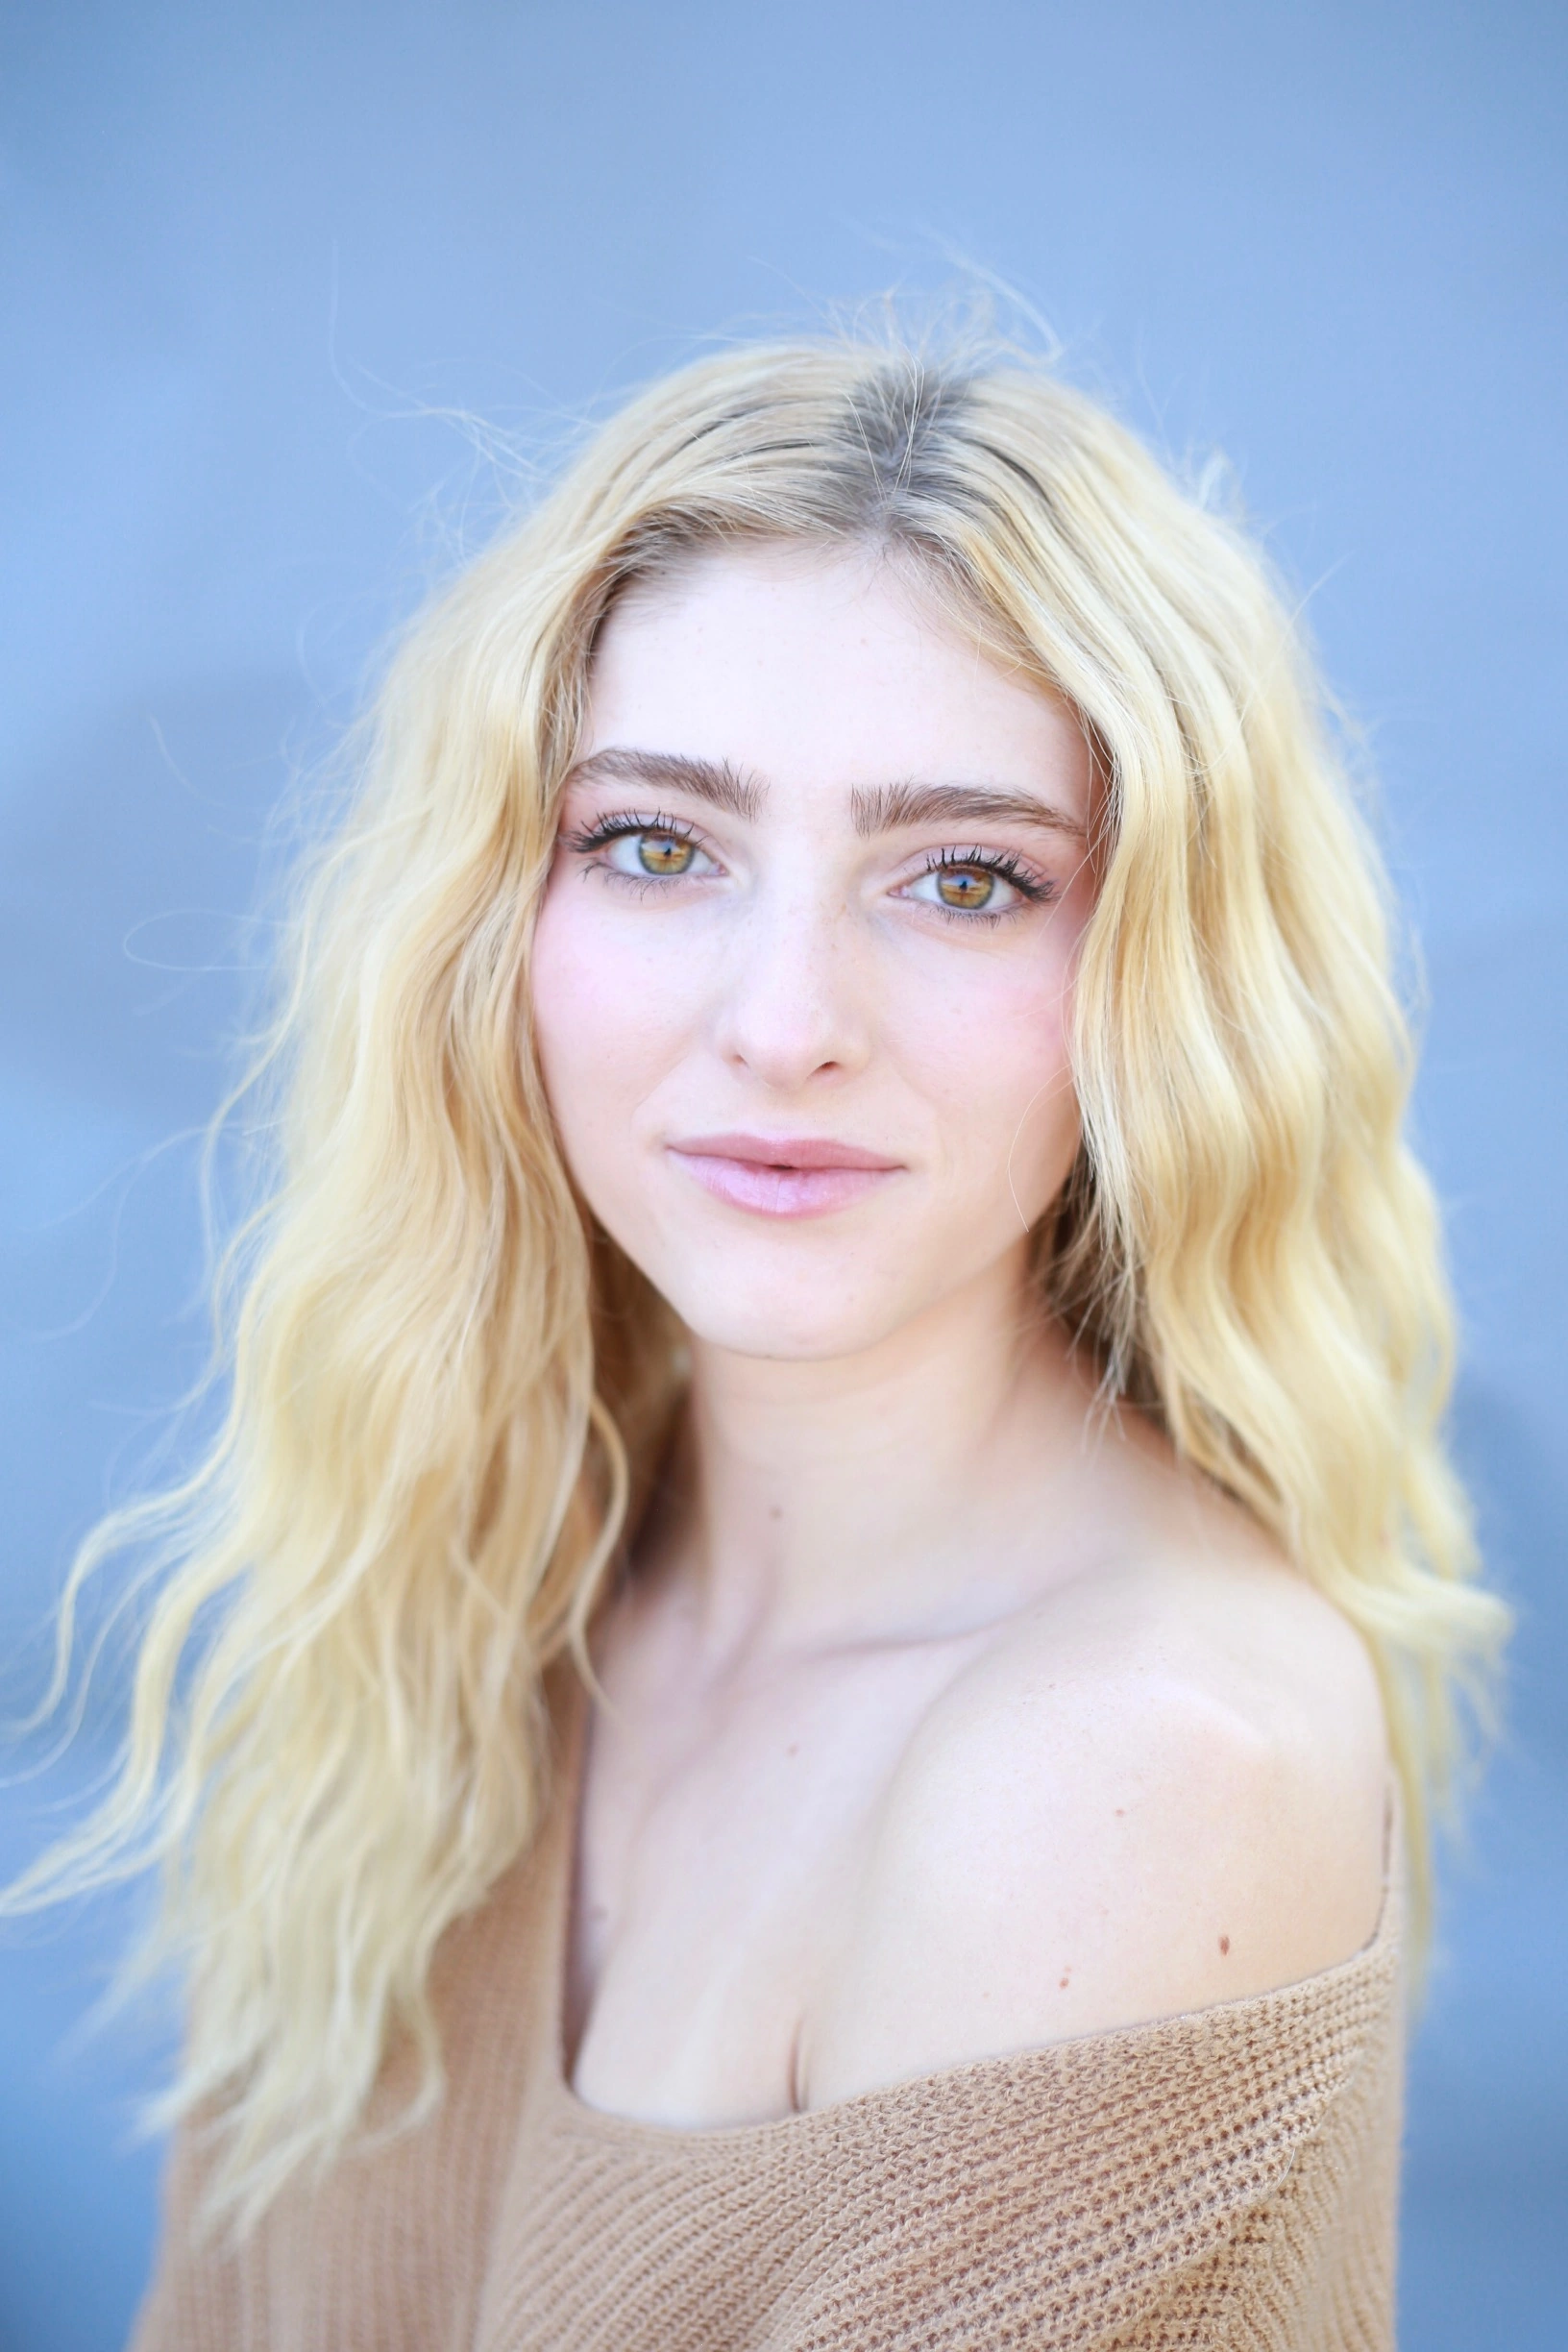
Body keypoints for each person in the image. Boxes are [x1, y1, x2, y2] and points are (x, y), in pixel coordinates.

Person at [11, 330, 1506, 2348]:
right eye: (658, 846)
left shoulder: (1131, 1765)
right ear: (496, 923)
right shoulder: (477, 1609)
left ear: (1158, 982)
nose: (785, 1021)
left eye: (966, 879)